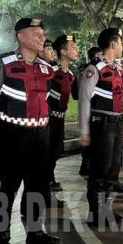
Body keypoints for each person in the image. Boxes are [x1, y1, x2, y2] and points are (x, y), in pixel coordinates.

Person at [0, 17, 59, 244]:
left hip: (41, 135)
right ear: (20, 36)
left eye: (42, 33)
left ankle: (35, 232)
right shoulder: (4, 63)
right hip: (14, 136)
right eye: (35, 33)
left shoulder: (47, 68)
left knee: (37, 184)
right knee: (9, 188)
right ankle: (1, 242)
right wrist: (0, 122)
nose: (41, 37)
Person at [78, 28, 123, 226]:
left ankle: (105, 209)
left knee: (114, 168)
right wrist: (84, 131)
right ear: (113, 44)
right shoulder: (94, 68)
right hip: (102, 125)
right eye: (121, 43)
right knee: (100, 169)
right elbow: (84, 99)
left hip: (117, 123)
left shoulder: (116, 68)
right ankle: (95, 212)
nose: (122, 47)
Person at [47, 34, 79, 193]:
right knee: (47, 152)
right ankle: (45, 183)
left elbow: (76, 95)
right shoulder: (50, 72)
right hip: (47, 120)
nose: (77, 49)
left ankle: (49, 179)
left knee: (56, 150)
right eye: (73, 47)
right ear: (63, 51)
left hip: (60, 119)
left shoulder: (71, 74)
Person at [77, 46, 102, 176]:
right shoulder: (88, 69)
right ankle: (85, 165)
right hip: (90, 107)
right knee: (89, 139)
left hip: (97, 108)